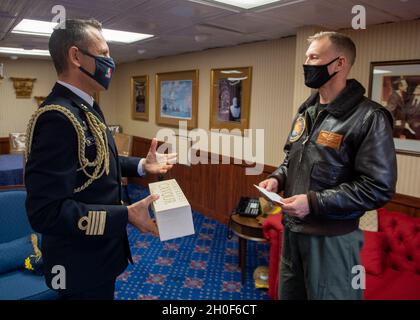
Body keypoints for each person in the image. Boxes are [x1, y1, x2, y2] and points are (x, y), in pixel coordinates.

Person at [25, 19, 176, 300]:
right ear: (75, 56)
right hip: (78, 263)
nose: (110, 61)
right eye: (104, 53)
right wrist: (125, 215)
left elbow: (94, 162)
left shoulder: (86, 105)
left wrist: (143, 165)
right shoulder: (58, 117)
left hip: (99, 255)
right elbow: (46, 213)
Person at [259, 31, 397, 300]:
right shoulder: (307, 110)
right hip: (293, 232)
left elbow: (378, 188)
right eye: (306, 57)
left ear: (339, 64)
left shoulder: (369, 117)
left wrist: (313, 202)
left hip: (332, 240)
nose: (307, 64)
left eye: (314, 57)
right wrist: (277, 178)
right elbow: (292, 158)